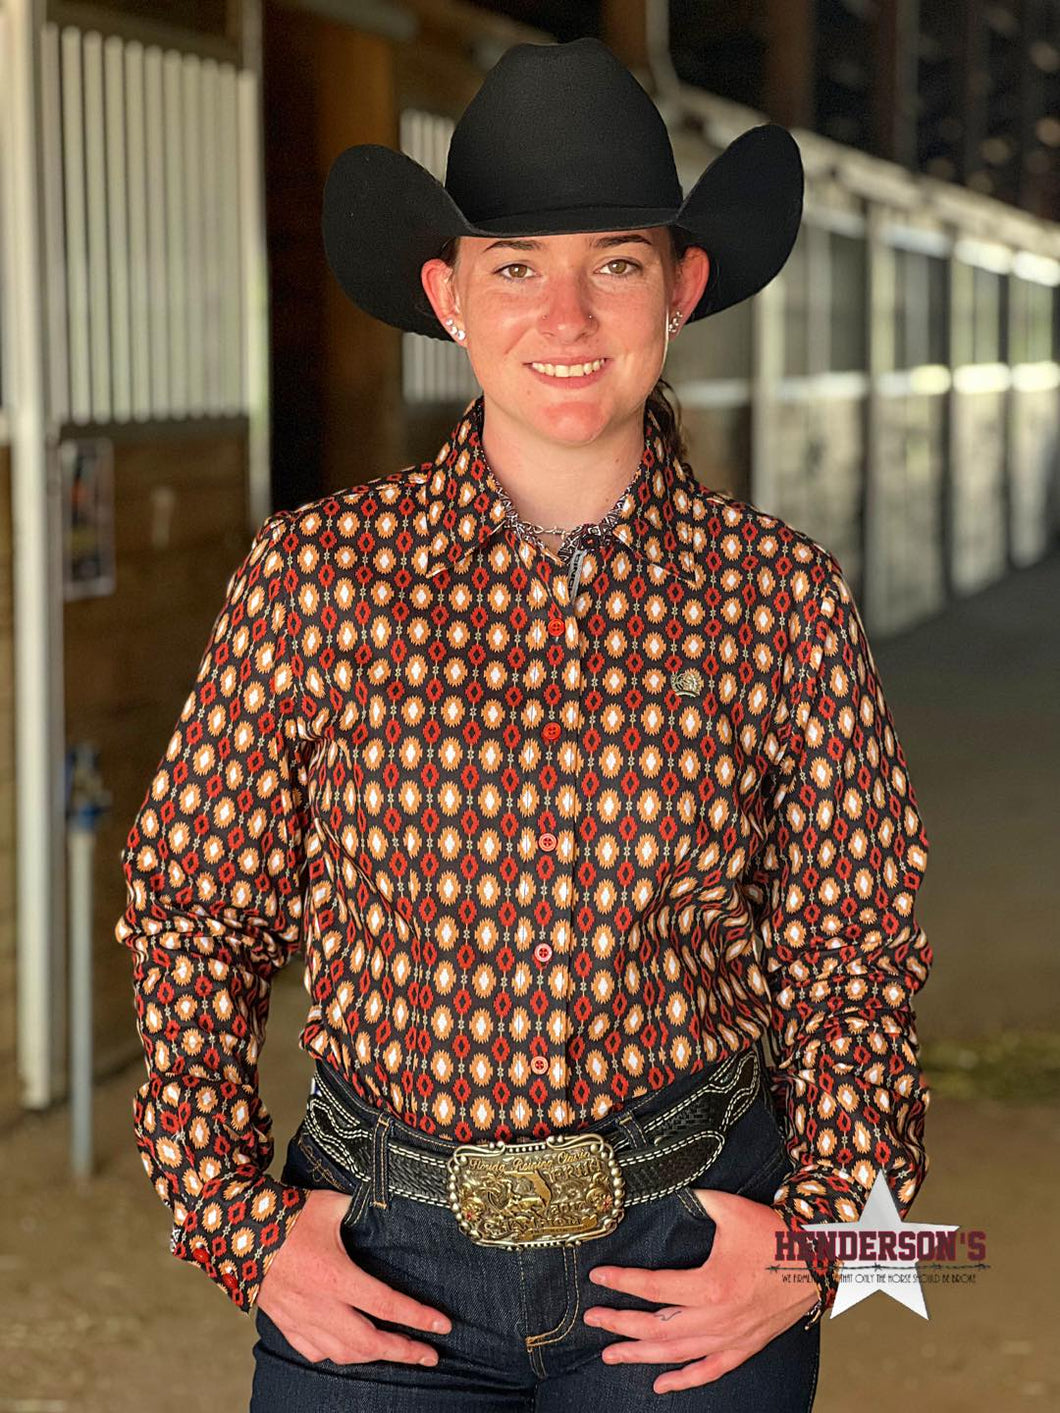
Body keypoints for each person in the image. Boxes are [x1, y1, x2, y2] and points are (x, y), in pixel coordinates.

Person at [115, 36, 933, 1411]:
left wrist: (826, 1241)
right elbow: (198, 908)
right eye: (515, 267)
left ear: (679, 286)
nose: (566, 315)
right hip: (381, 1259)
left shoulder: (782, 595)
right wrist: (241, 1226)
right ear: (447, 296)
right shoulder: (315, 577)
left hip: (687, 1255)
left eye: (612, 262)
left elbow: (855, 941)